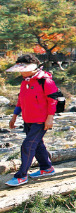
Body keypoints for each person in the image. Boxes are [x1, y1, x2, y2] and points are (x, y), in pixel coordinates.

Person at [4, 55, 57, 186]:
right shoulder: (25, 82)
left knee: (27, 146)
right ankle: (46, 168)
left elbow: (52, 101)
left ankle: (21, 175)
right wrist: (14, 116)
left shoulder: (45, 81)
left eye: (23, 68)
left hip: (41, 121)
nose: (21, 72)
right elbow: (20, 100)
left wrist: (50, 119)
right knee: (37, 144)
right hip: (28, 119)